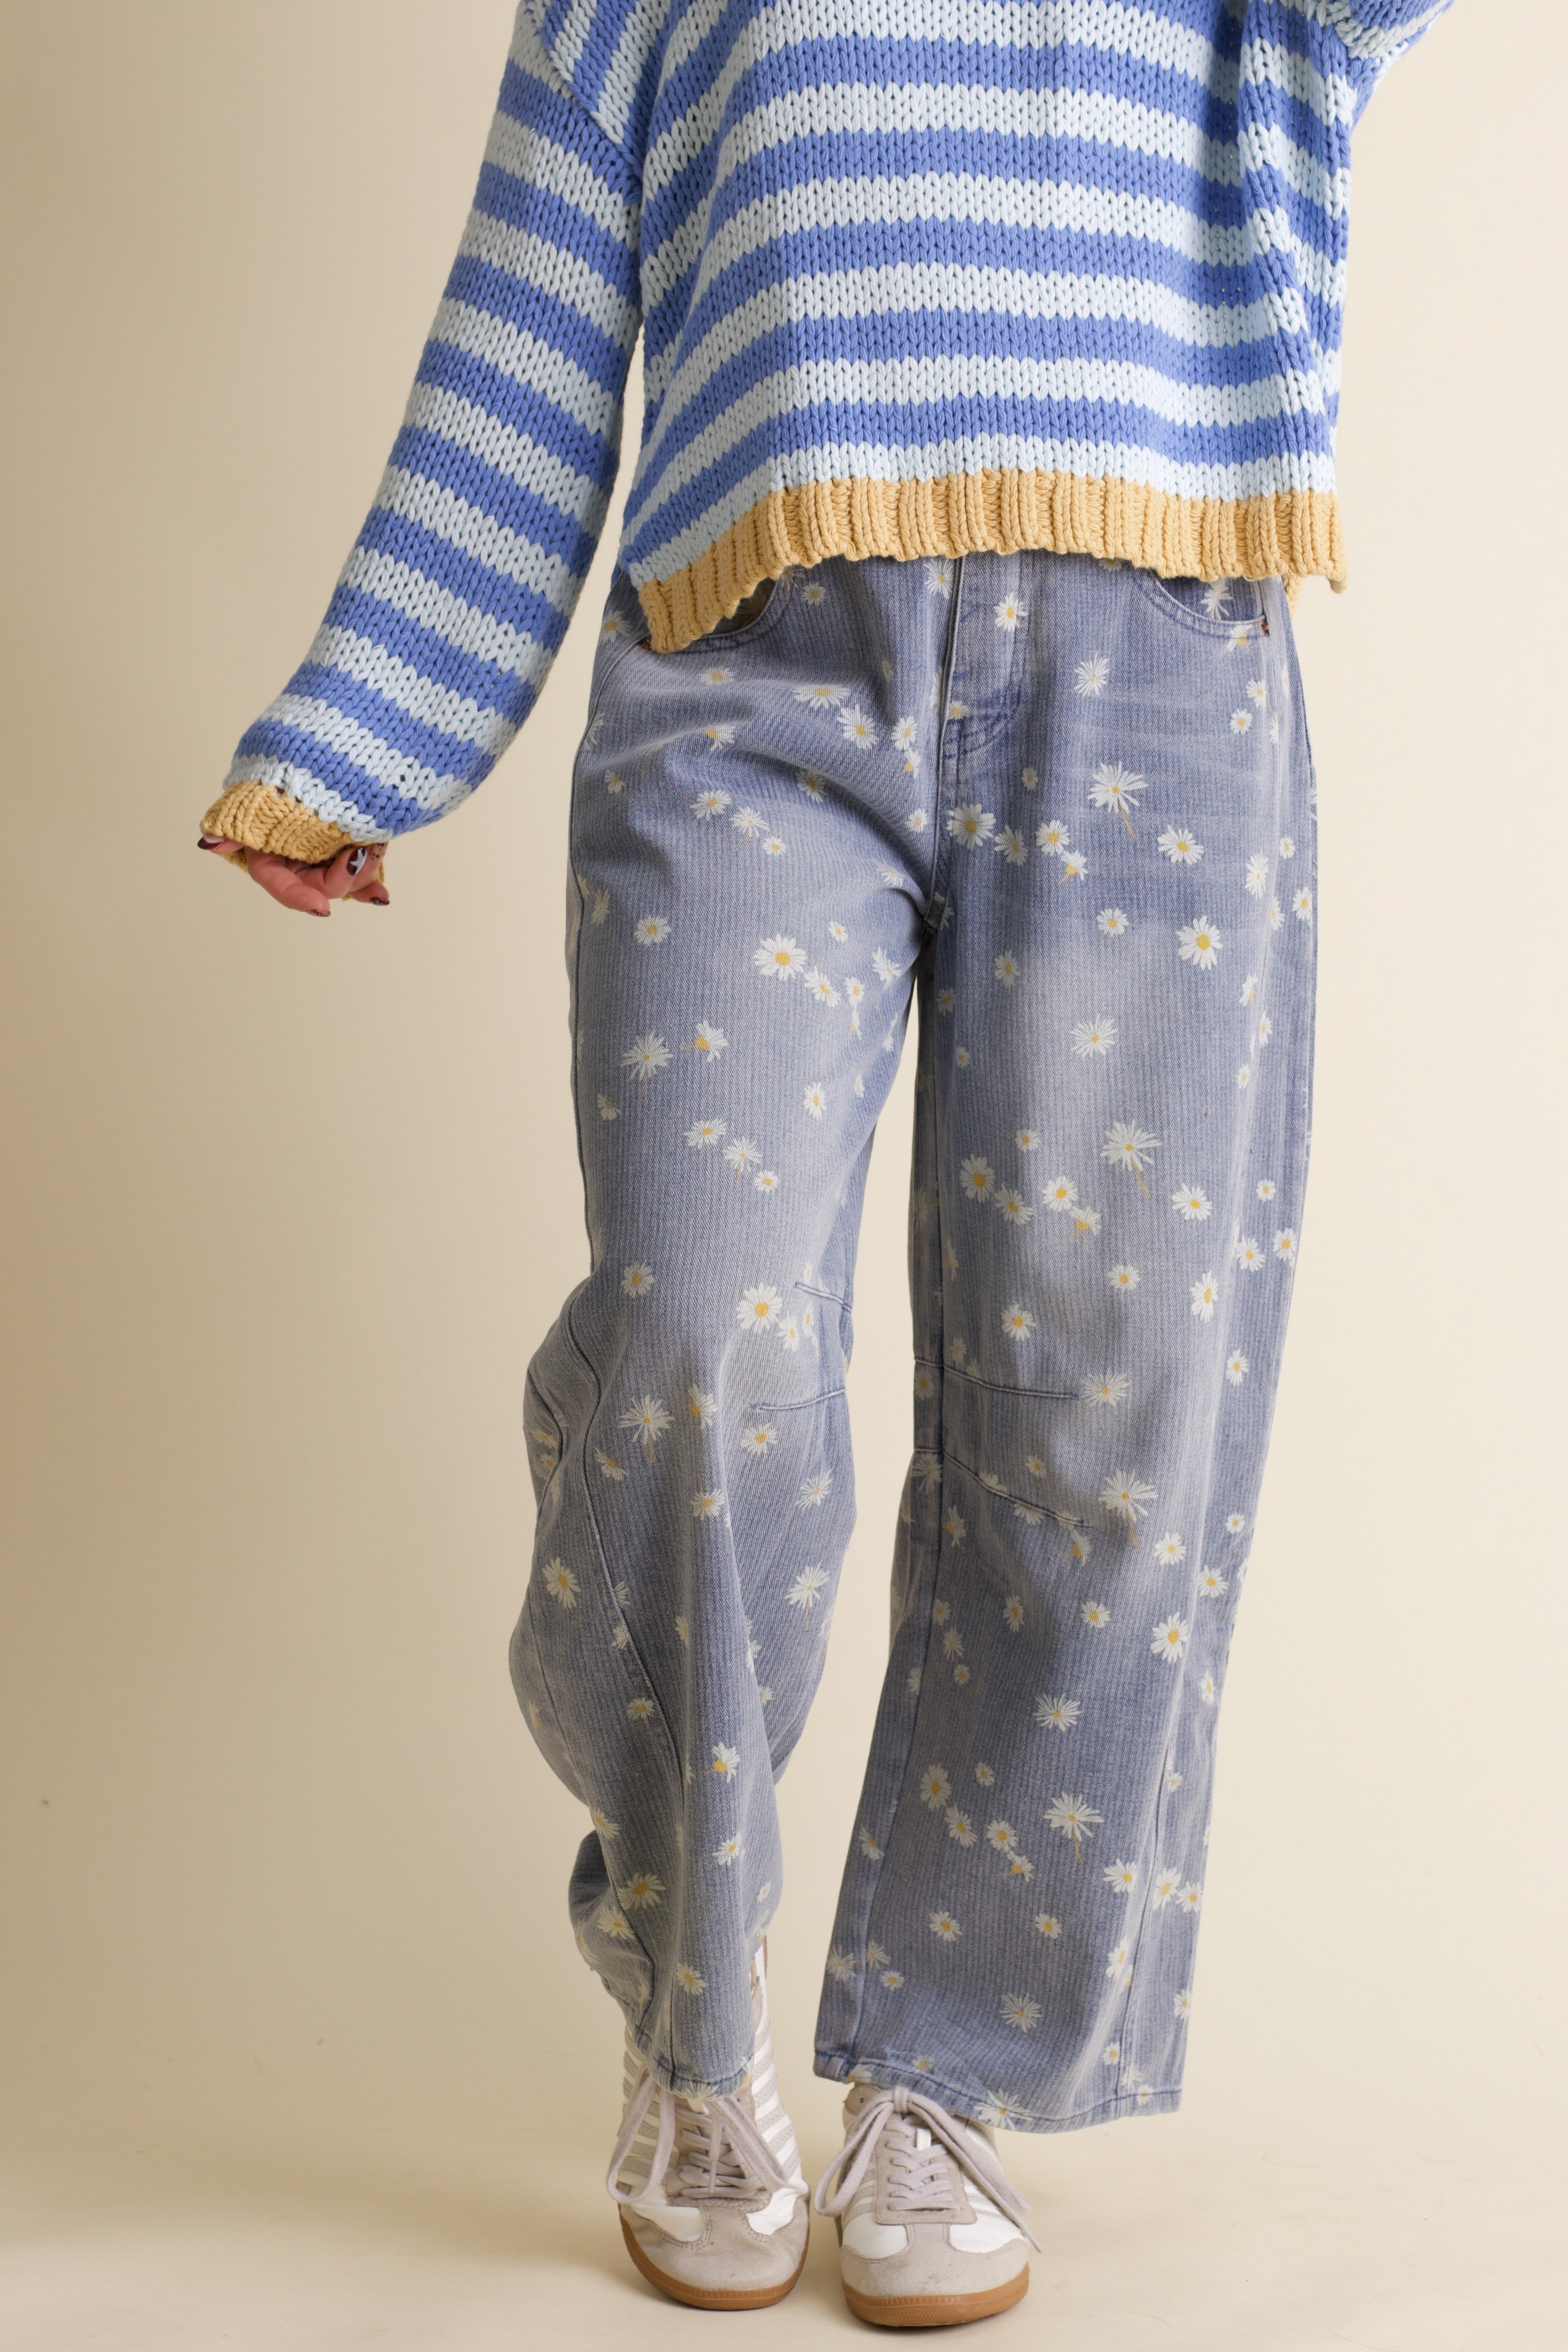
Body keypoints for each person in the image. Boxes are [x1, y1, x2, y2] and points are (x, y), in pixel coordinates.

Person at [200, 0, 1451, 2325]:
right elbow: (525, 336)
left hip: (1155, 675)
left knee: (1102, 1399)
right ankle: (693, 2024)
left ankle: (947, 2063)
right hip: (747, 675)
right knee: (702, 1337)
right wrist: (363, 728)